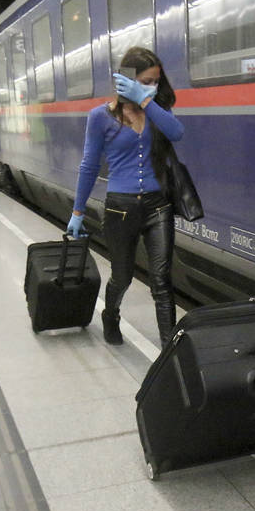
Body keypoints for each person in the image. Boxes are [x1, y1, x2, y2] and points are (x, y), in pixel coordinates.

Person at [66, 46, 185, 347]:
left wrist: (146, 97)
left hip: (159, 206)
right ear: (126, 79)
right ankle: (111, 315)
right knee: (122, 277)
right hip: (120, 209)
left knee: (161, 281)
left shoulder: (156, 111)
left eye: (155, 81)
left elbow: (177, 132)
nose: (152, 87)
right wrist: (78, 212)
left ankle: (169, 349)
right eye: (145, 81)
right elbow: (90, 165)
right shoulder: (100, 117)